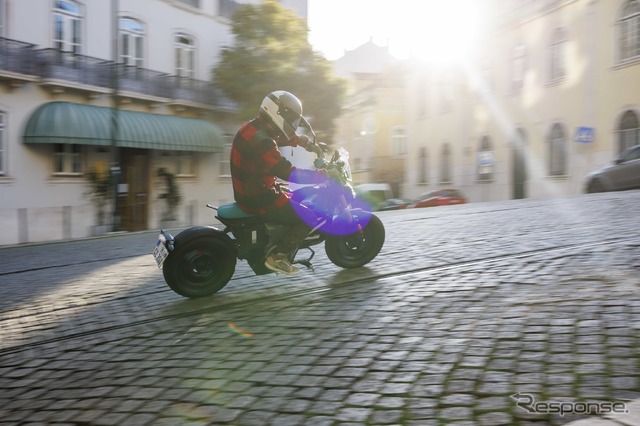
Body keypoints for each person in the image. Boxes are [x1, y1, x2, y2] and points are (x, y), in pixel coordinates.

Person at [230, 90, 326, 275]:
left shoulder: (251, 126)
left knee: (294, 198)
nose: (293, 124)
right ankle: (278, 256)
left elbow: (275, 136)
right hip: (258, 197)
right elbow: (288, 172)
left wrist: (301, 142)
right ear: (279, 114)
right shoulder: (264, 142)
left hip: (250, 190)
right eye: (291, 119)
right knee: (309, 217)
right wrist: (320, 176)